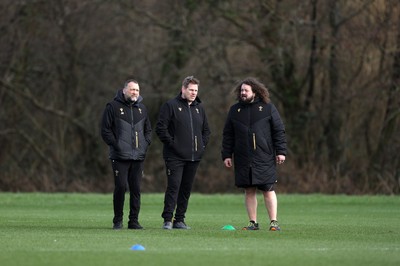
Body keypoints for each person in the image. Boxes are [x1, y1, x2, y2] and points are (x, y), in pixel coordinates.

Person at [221, 77, 287, 231]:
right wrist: (226, 155)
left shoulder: (268, 108)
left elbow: (279, 131)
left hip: (264, 156)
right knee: (249, 191)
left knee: (268, 190)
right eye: (241, 90)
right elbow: (228, 135)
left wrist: (281, 152)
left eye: (246, 90)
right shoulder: (234, 110)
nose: (243, 93)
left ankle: (274, 222)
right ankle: (253, 223)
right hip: (243, 157)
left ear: (255, 92)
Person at [156, 76, 211, 230]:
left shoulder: (199, 108)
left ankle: (179, 220)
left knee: (186, 189)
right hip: (174, 156)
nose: (194, 93)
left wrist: (201, 146)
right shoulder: (170, 105)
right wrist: (174, 145)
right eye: (191, 90)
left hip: (194, 157)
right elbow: (161, 129)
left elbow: (206, 131)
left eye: (196, 90)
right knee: (174, 187)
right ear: (183, 89)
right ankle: (167, 219)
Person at [101, 79, 152, 230]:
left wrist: (144, 144)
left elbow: (148, 130)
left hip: (138, 157)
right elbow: (105, 130)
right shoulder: (113, 106)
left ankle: (134, 221)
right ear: (124, 91)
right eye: (132, 89)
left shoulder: (142, 109)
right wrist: (117, 145)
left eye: (137, 90)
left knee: (136, 189)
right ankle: (118, 221)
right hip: (119, 156)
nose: (134, 92)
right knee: (121, 187)